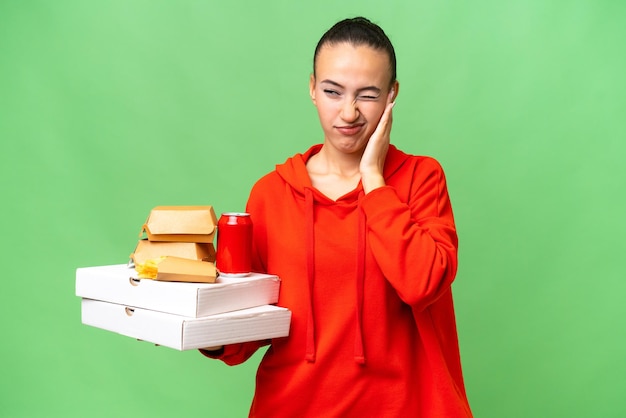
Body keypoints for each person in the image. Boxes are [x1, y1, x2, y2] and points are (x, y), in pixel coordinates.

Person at [201, 17, 473, 417]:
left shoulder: (421, 179)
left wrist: (374, 180)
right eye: (333, 91)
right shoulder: (271, 193)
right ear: (312, 88)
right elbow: (248, 326)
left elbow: (421, 283)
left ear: (392, 95)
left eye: (367, 95)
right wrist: (199, 326)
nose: (348, 113)